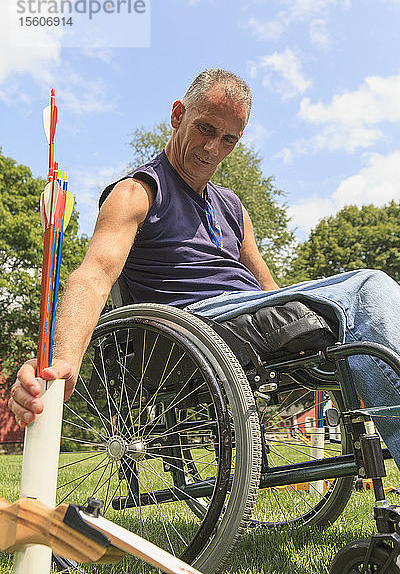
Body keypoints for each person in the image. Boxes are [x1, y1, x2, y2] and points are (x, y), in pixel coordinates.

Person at [8, 68, 400, 469]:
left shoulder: (232, 206)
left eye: (228, 139)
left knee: (365, 296)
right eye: (206, 129)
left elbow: (269, 290)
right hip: (196, 323)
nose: (213, 148)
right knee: (371, 288)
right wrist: (61, 362)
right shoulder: (137, 192)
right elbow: (93, 276)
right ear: (178, 115)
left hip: (251, 312)